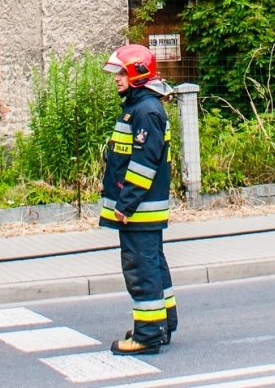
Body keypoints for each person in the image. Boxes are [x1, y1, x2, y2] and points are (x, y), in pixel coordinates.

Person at [101, 43, 176, 356]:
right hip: (142, 210)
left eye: (121, 71)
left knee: (141, 270)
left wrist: (124, 204)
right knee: (153, 265)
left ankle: (147, 335)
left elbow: (144, 164)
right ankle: (162, 324)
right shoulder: (141, 106)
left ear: (136, 73)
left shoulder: (145, 110)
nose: (116, 78)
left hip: (138, 211)